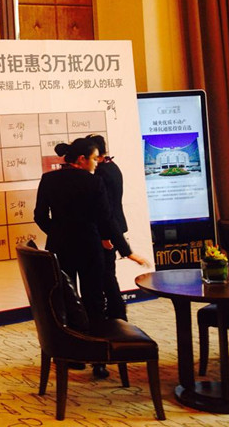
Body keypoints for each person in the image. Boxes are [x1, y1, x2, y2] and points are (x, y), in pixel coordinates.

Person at [34, 137, 114, 379]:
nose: (97, 162)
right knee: (94, 299)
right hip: (90, 246)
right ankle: (98, 360)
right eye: (95, 158)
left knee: (66, 301)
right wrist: (116, 243)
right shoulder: (94, 182)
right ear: (82, 159)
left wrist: (57, 232)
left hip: (60, 247)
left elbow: (39, 216)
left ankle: (72, 355)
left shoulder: (49, 179)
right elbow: (105, 219)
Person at [87, 134, 149, 322]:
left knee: (106, 273)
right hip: (114, 225)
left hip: (107, 229)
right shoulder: (112, 167)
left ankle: (117, 311)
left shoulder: (101, 174)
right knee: (108, 272)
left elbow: (104, 209)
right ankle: (116, 309)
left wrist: (105, 236)